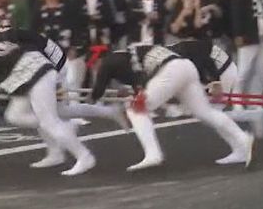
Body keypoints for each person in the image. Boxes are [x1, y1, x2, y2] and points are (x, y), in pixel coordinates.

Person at [89, 43, 254, 171]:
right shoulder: (126, 55)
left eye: (94, 65)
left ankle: (153, 153)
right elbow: (141, 82)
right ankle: (243, 139)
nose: (95, 69)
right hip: (185, 67)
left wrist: (90, 97)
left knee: (135, 109)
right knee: (205, 112)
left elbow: (97, 93)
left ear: (99, 59)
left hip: (170, 71)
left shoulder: (108, 62)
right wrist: (130, 93)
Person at [0, 28, 96, 176]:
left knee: (49, 122)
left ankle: (84, 156)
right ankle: (60, 139)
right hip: (33, 75)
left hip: (36, 77)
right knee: (14, 115)